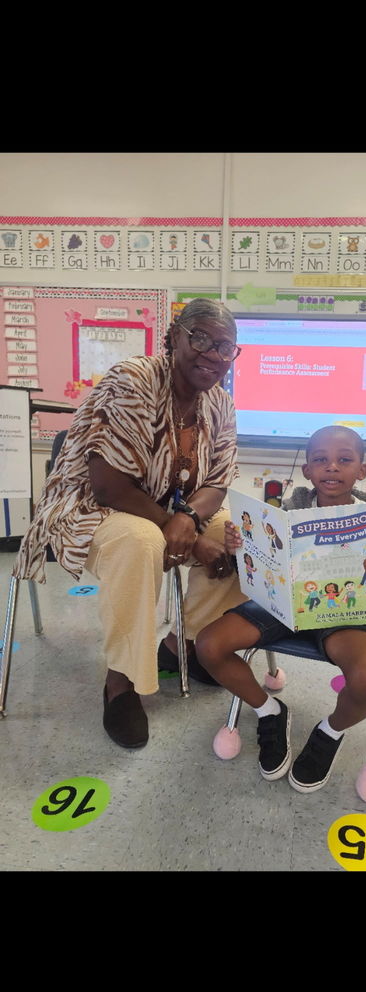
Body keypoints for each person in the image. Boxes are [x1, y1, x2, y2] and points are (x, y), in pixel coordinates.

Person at [13, 298, 247, 749]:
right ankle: (120, 683)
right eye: (200, 338)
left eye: (224, 347)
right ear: (173, 336)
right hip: (94, 506)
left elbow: (217, 483)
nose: (212, 354)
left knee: (233, 534)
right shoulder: (134, 379)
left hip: (172, 508)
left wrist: (191, 520)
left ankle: (188, 646)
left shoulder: (220, 403)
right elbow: (108, 485)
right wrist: (178, 530)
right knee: (141, 540)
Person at [196, 425, 366, 793]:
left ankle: (330, 731)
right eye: (320, 460)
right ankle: (270, 711)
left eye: (344, 460)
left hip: (346, 615)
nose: (332, 467)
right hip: (281, 607)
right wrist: (240, 550)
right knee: (208, 645)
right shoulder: (285, 509)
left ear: (362, 470)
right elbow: (256, 569)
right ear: (307, 471)